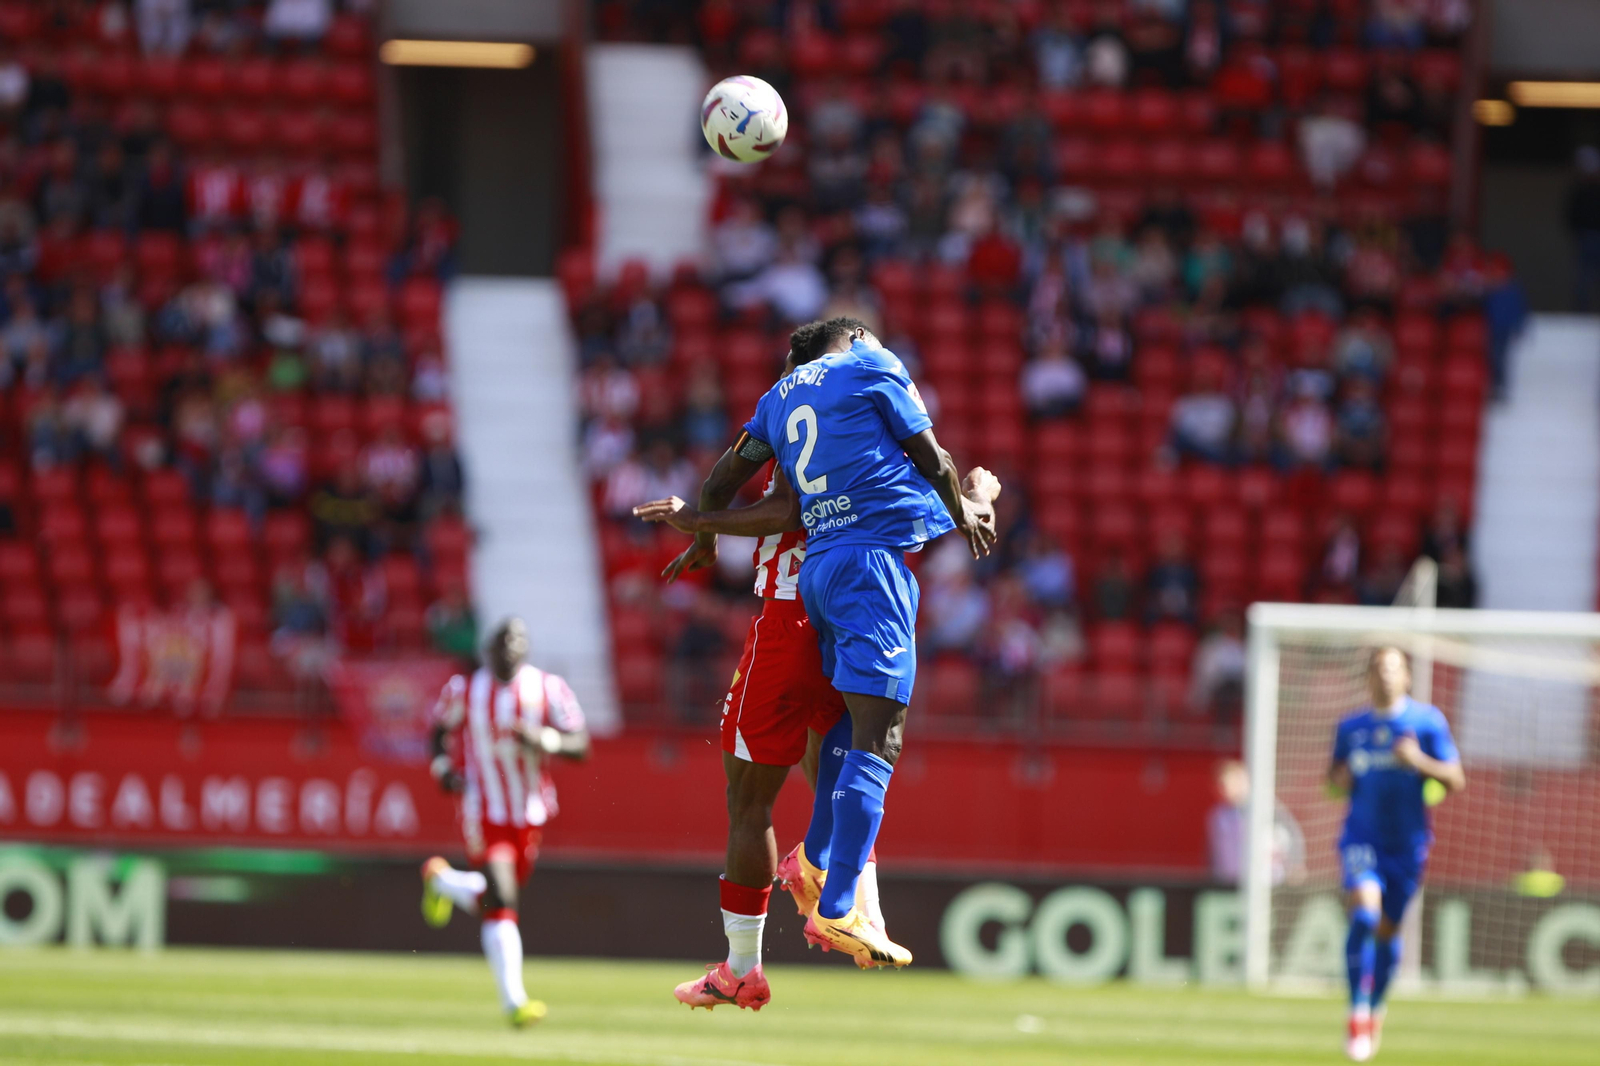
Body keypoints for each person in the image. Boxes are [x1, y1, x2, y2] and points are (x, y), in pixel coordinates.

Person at [637, 316, 999, 974]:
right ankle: (835, 901)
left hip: (820, 576)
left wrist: (703, 529)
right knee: (874, 735)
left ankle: (806, 891)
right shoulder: (871, 369)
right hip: (863, 573)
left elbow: (723, 479)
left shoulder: (781, 400)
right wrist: (971, 500)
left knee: (838, 728)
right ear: (856, 337)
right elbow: (930, 459)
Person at [418, 618, 590, 1028]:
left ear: (526, 648)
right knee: (503, 899)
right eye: (502, 641)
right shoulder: (465, 690)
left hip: (529, 810)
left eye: (517, 641)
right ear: (488, 650)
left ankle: (440, 880)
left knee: (498, 897)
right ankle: (514, 1003)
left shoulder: (547, 688)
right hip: (483, 807)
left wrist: (543, 739)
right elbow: (438, 730)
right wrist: (442, 768)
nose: (510, 647)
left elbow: (581, 744)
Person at [1328, 647, 1465, 1062]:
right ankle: (1356, 1013)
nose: (1385, 676)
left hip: (1407, 846)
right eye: (1378, 669)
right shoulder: (1351, 727)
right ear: (1368, 679)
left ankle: (1375, 1006)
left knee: (1388, 931)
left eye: (1393, 668)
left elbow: (1456, 778)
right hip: (1361, 839)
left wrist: (1418, 760)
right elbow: (1332, 785)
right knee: (1365, 915)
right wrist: (1341, 777)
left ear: (1407, 677)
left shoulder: (1426, 723)